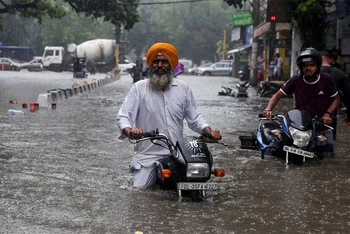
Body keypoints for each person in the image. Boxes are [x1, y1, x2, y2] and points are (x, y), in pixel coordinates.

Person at [117, 42, 221, 188]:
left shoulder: (183, 88)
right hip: (148, 157)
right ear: (150, 64)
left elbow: (195, 118)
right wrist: (130, 131)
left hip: (178, 155)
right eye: (156, 61)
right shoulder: (138, 89)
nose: (160, 65)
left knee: (199, 182)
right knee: (140, 191)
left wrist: (210, 131)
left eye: (164, 61)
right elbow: (123, 117)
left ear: (171, 64)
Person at [262, 48, 341, 155]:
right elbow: (277, 96)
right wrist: (268, 109)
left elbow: (336, 99)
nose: (308, 68)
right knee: (279, 150)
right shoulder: (295, 80)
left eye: (312, 65)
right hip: (299, 125)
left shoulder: (326, 79)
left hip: (320, 125)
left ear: (317, 66)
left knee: (327, 156)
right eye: (305, 65)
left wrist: (327, 114)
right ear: (301, 67)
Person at [320, 51, 350, 139]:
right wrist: (348, 115)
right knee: (330, 141)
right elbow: (347, 95)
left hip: (312, 112)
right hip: (331, 112)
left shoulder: (310, 73)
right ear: (329, 60)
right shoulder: (340, 73)